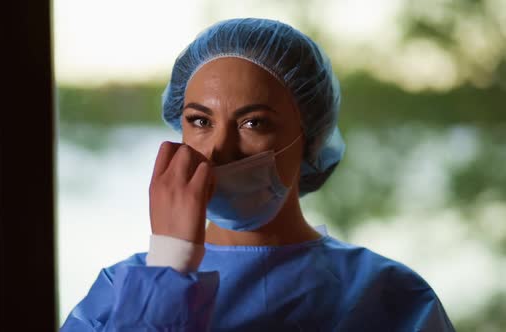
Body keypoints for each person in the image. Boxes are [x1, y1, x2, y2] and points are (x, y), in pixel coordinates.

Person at [60, 18, 455, 331]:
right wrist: (168, 266)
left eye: (253, 124)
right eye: (199, 120)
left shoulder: (390, 297)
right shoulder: (120, 293)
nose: (218, 150)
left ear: (312, 140)